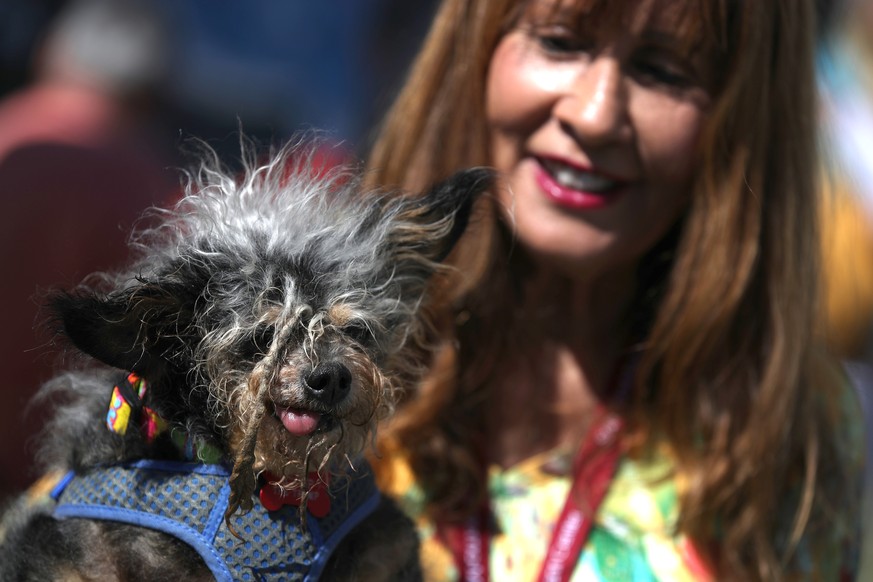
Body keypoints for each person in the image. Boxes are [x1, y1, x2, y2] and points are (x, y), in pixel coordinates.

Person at [363, 0, 864, 580]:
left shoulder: (791, 439)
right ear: (473, 49)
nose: (596, 114)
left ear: (743, 117)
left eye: (664, 71)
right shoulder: (312, 370)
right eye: (559, 42)